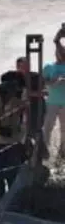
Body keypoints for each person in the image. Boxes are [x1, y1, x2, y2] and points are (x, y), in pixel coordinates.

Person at [0, 71, 29, 203]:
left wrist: (18, 97)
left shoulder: (21, 99)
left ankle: (13, 205)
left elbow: (28, 117)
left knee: (13, 177)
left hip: (15, 143)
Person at [41, 32, 65, 160]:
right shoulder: (49, 67)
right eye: (58, 52)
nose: (60, 54)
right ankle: (45, 152)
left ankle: (62, 155)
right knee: (47, 128)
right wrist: (54, 81)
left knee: (64, 131)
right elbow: (43, 82)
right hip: (52, 101)